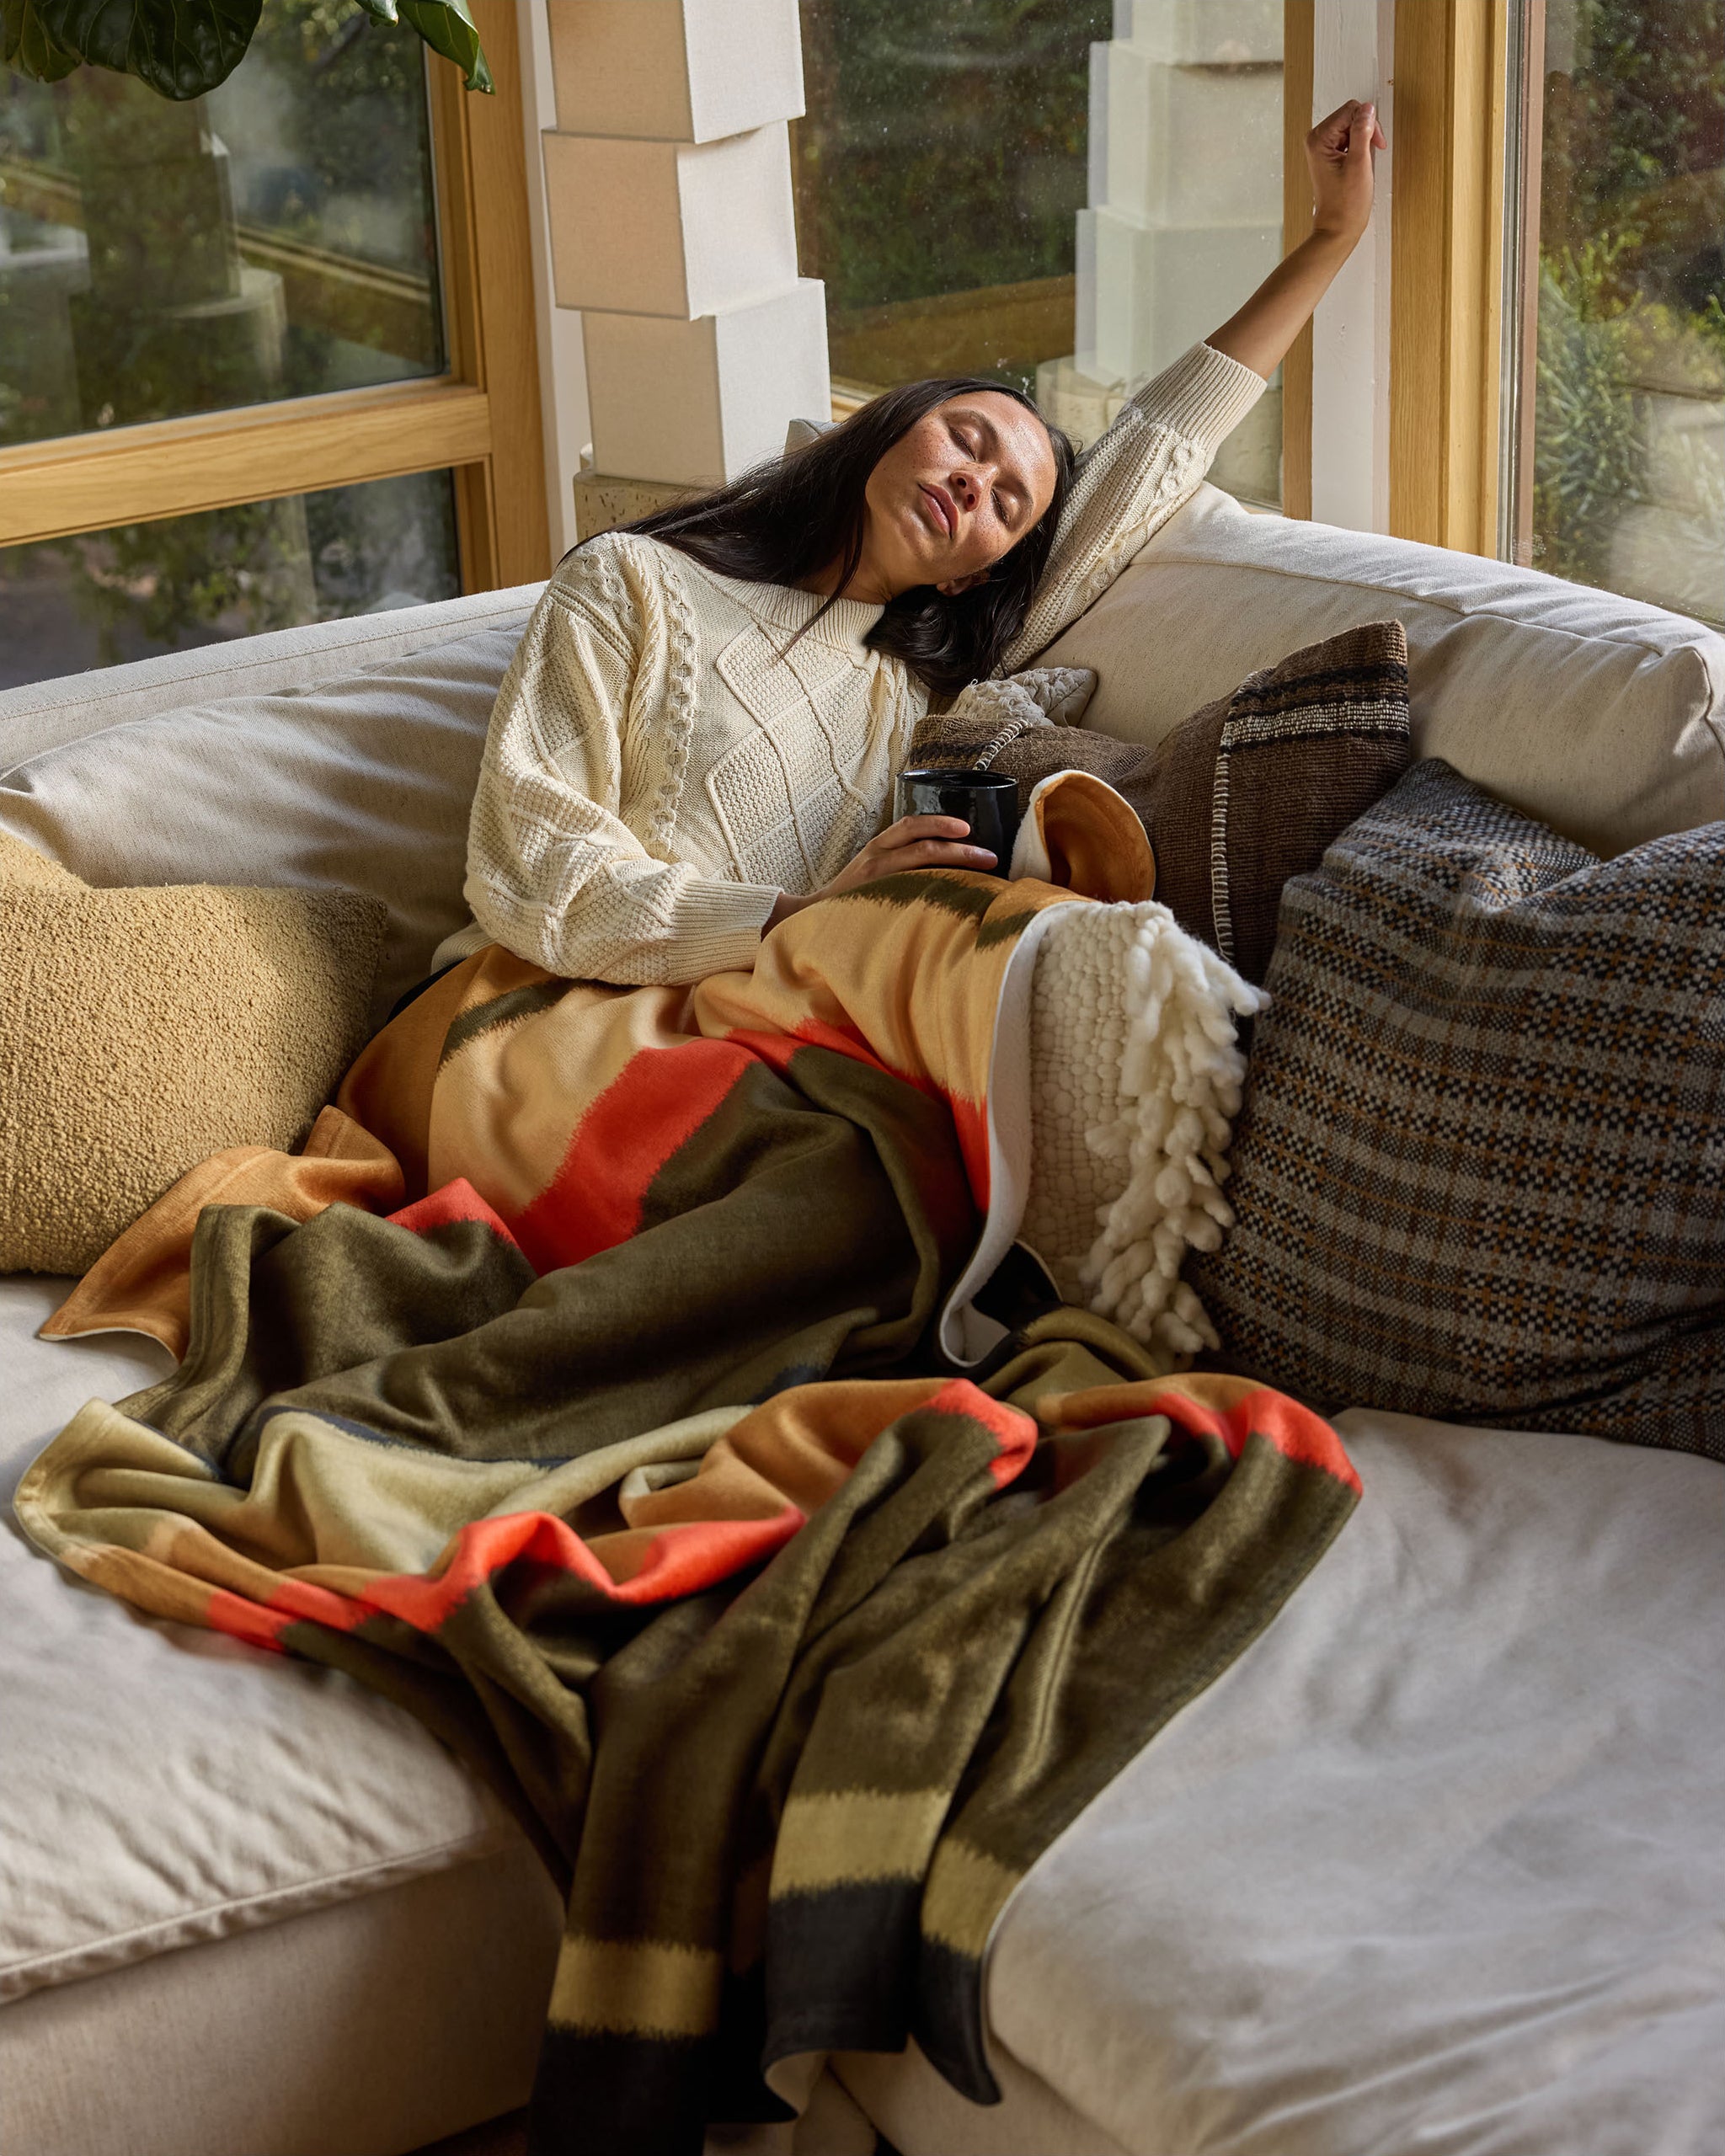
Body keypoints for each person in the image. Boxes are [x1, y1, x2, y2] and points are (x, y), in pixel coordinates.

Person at [436, 99, 1386, 989]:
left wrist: (1330, 236)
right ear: (893, 428)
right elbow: (530, 858)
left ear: (977, 571)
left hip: (779, 1031)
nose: (975, 481)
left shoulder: (923, 685)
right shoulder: (630, 583)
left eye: (1006, 502)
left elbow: (1151, 452)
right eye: (965, 442)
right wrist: (794, 917)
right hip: (557, 1008)